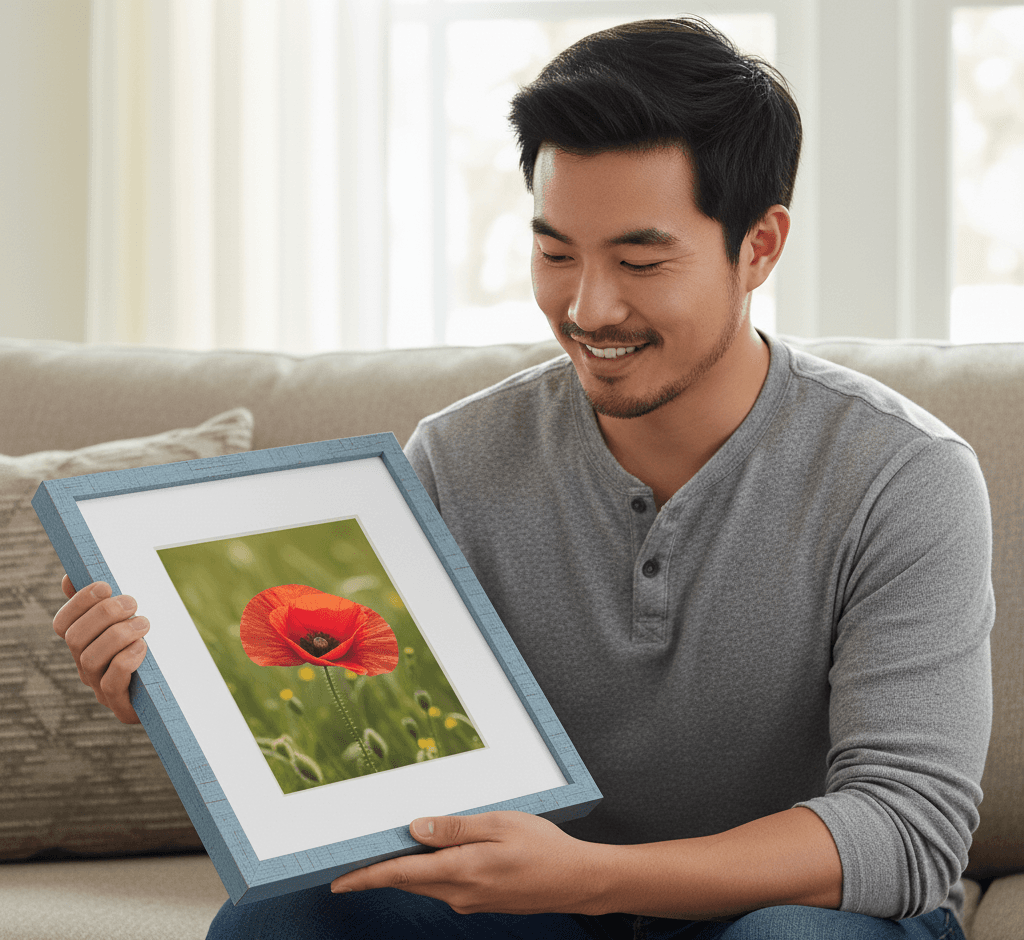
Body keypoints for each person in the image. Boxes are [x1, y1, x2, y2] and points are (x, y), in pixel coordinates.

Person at [53, 16, 992, 940]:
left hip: (790, 911)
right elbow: (386, 751)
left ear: (760, 246)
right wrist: (189, 703)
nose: (587, 306)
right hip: (533, 906)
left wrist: (599, 877)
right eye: (554, 253)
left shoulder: (903, 476)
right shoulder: (457, 458)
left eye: (639, 259)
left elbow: (907, 826)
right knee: (282, 923)